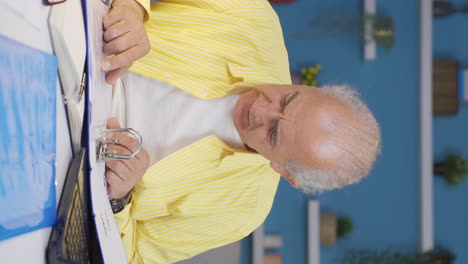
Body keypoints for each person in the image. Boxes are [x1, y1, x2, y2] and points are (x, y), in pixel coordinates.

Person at [102, 0, 381, 263]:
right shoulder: (253, 16)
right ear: (315, 88)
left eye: (273, 133)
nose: (259, 110)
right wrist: (133, 7)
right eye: (287, 99)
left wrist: (119, 200)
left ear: (286, 171)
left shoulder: (242, 212)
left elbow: (130, 256)